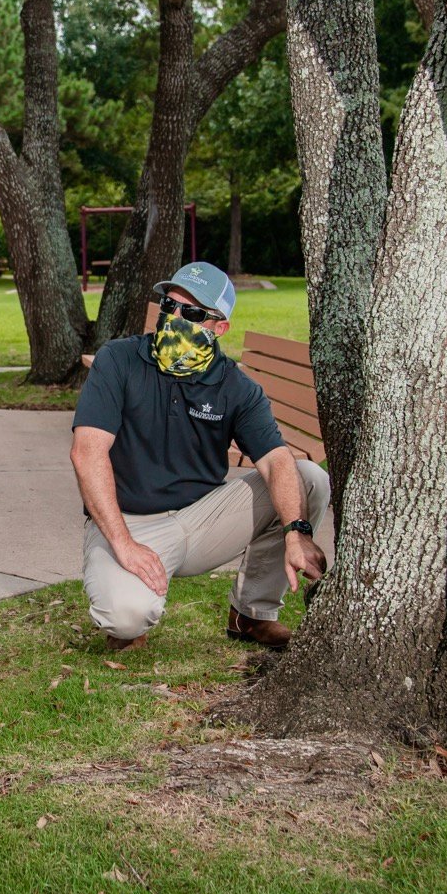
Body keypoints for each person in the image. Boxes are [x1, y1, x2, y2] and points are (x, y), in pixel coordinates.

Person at [70, 261, 332, 651]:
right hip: (128, 522)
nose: (175, 318)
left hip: (203, 520)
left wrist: (297, 530)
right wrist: (123, 544)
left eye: (192, 313)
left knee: (308, 477)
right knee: (125, 617)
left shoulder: (235, 386)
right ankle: (131, 610)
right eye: (169, 305)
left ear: (219, 327)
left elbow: (276, 460)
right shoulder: (119, 360)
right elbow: (87, 452)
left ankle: (252, 614)